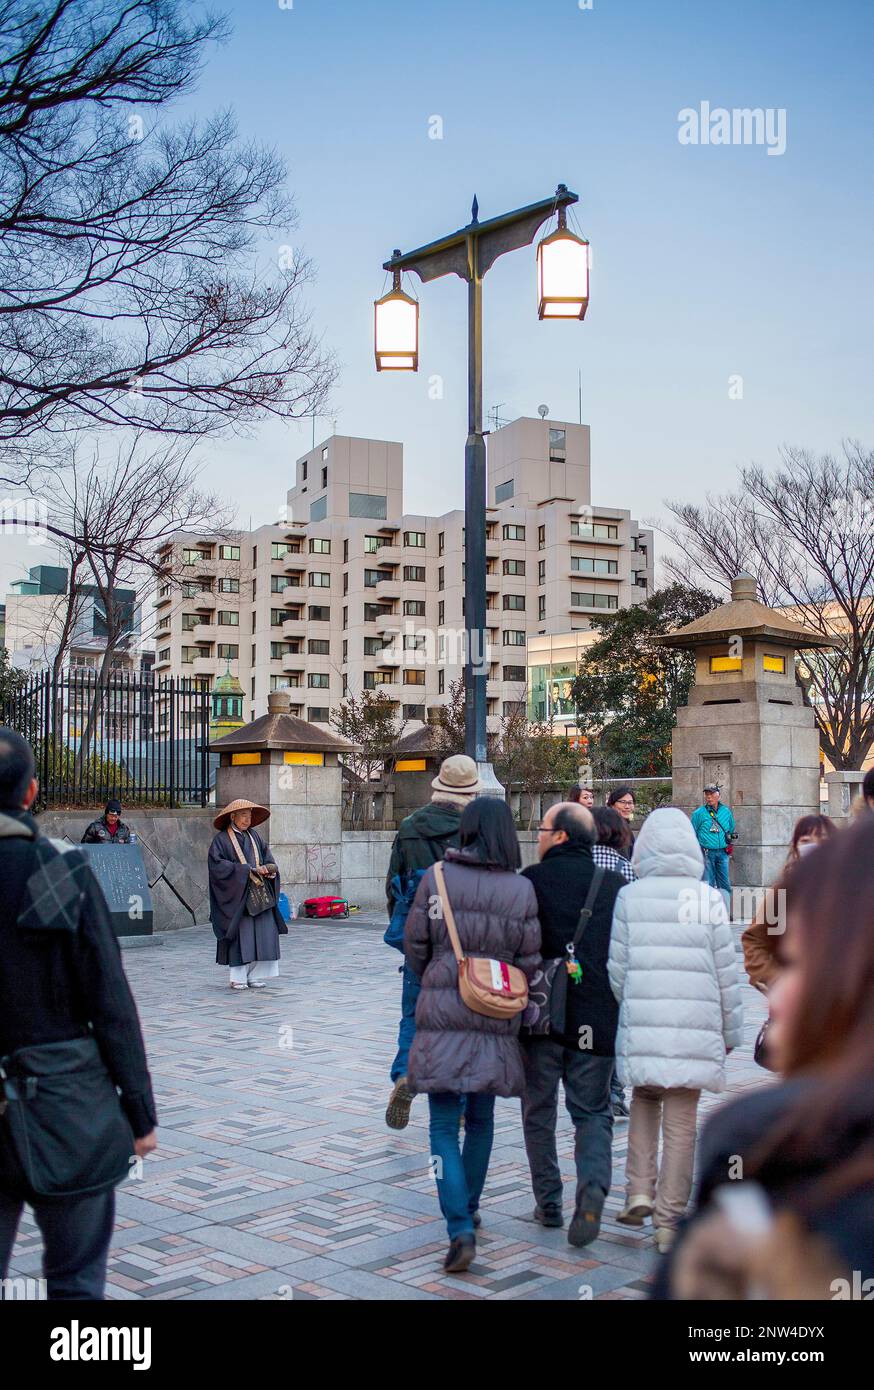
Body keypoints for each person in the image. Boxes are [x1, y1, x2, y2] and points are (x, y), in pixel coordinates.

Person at [659, 815, 874, 1299]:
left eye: (807, 966)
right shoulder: (790, 890)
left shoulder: (762, 1154)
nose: (778, 1002)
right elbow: (754, 940)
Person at [0, 728, 157, 1300]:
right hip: (68, 1107)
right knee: (76, 1281)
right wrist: (139, 1114)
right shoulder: (64, 872)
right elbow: (111, 1002)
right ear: (32, 791)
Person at [404, 797, 540, 1273]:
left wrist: (438, 975)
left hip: (443, 1008)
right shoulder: (521, 889)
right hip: (495, 1013)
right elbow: (529, 960)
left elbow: (415, 945)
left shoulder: (436, 879)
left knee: (442, 1124)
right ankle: (471, 1206)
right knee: (481, 1120)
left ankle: (458, 1225)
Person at [608, 807, 743, 1253]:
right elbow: (727, 974)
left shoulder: (631, 896)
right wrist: (731, 1030)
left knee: (644, 1103)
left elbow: (617, 970)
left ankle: (639, 1190)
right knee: (683, 1125)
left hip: (645, 1022)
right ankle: (668, 1222)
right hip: (694, 1027)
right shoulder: (708, 898)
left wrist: (634, 1005)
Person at [520, 802, 625, 1246]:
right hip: (597, 1016)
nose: (538, 835)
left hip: (541, 1015)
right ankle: (593, 1191)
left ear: (560, 836)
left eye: (543, 828)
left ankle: (548, 1204)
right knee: (592, 1111)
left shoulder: (530, 882)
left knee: (538, 1111)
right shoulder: (616, 885)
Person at [383, 755, 481, 1130]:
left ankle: (406, 1074)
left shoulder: (410, 826)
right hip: (465, 938)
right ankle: (454, 1096)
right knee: (459, 1016)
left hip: (419, 935)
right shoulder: (475, 828)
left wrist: (407, 924)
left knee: (414, 1012)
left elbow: (394, 882)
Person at [742, 814, 835, 993]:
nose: (815, 846)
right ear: (795, 847)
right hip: (795, 1000)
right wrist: (776, 980)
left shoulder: (854, 890)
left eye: (822, 839)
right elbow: (755, 941)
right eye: (806, 840)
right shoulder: (785, 893)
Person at [208, 798, 286, 990]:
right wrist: (245, 871)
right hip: (238, 896)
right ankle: (238, 977)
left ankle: (256, 975)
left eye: (249, 815)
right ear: (232, 817)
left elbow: (268, 857)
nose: (247, 819)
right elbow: (217, 867)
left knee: (265, 934)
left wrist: (270, 870)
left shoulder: (255, 837)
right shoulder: (221, 840)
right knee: (241, 936)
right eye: (243, 815)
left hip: (260, 895)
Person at [591, 804, 635, 1119]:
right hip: (619, 959)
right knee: (618, 1027)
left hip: (583, 962)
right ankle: (616, 1092)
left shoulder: (579, 865)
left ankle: (593, 1089)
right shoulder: (627, 870)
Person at [690, 783, 735, 911]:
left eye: (711, 794)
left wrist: (729, 844)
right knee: (708, 883)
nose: (708, 797)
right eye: (707, 794)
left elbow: (731, 829)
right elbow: (691, 831)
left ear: (718, 796)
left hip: (722, 853)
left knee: (724, 883)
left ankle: (725, 910)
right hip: (706, 852)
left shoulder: (726, 812)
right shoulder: (699, 813)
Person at [606, 785, 636, 853]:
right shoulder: (611, 827)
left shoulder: (625, 826)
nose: (627, 806)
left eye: (630, 803)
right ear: (612, 804)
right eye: (623, 802)